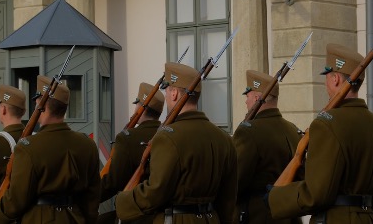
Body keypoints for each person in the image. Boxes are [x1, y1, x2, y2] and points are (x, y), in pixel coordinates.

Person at [266, 43, 373, 224]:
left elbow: (316, 193)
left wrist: (276, 197)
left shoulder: (326, 124)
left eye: (327, 77)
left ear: (335, 79)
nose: (325, 83)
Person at [115, 62, 237, 224]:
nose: (165, 96)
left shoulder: (167, 137)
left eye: (167, 90)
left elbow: (155, 192)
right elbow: (228, 198)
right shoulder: (224, 138)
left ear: (174, 94)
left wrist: (123, 200)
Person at [0, 75, 100, 223]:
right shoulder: (87, 144)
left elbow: (16, 201)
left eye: (37, 101)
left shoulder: (28, 147)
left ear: (41, 105)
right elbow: (92, 197)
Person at [233, 70, 302, 224]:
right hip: (288, 216)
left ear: (257, 98)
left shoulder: (248, 131)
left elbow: (235, 182)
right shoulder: (293, 129)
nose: (246, 101)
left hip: (257, 216)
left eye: (248, 95)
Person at [98, 82, 165, 224]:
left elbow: (112, 182)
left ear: (141, 108)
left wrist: (87, 198)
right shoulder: (168, 135)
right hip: (161, 215)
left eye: (137, 104)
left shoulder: (127, 138)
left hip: (134, 214)